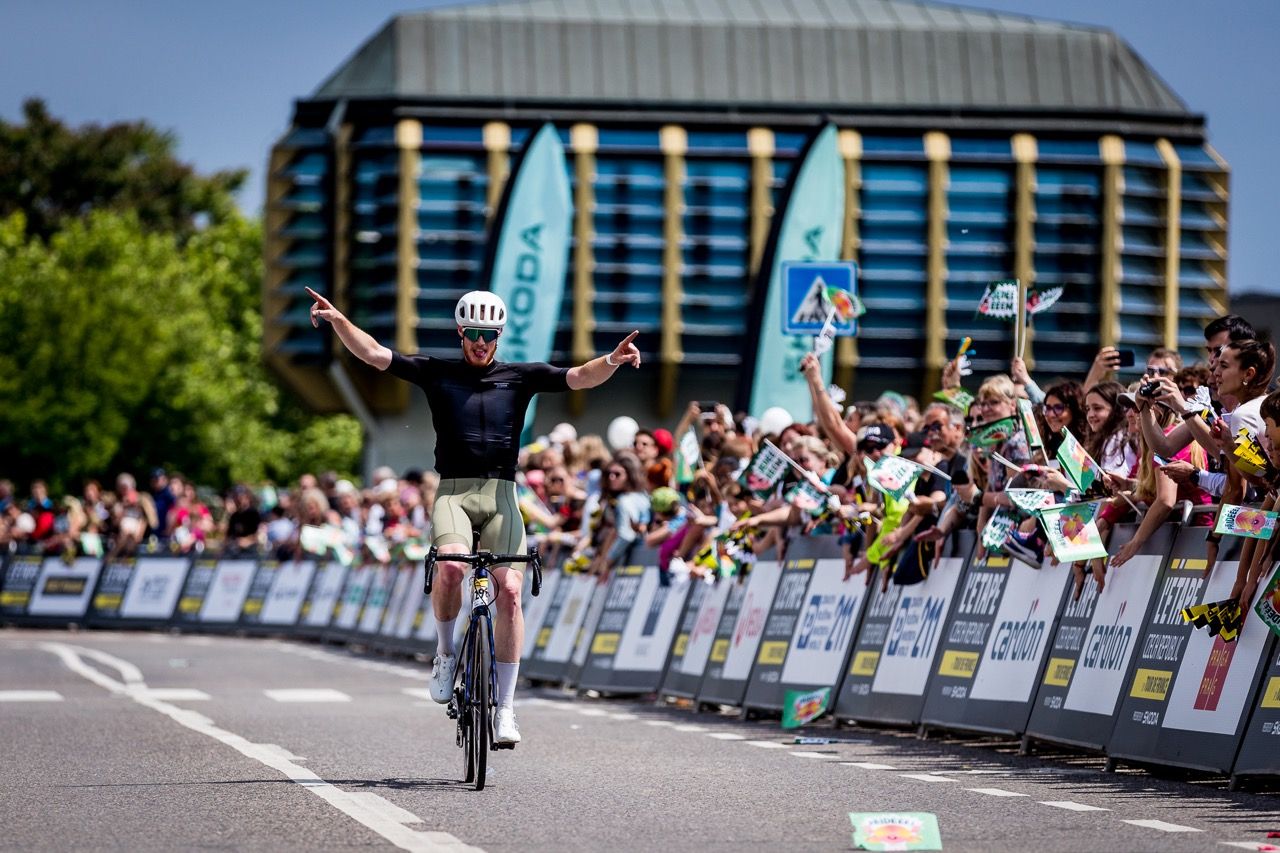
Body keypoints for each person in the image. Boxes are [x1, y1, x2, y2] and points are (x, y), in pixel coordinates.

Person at [307, 286, 640, 746]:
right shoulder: (436, 372)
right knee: (448, 568)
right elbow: (375, 355)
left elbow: (579, 376)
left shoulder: (519, 376)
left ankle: (505, 709)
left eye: (490, 334)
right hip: (453, 495)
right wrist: (339, 320)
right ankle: (445, 653)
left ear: (499, 335)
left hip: (503, 494)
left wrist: (612, 361)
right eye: (474, 333)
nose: (481, 342)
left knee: (509, 589)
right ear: (461, 332)